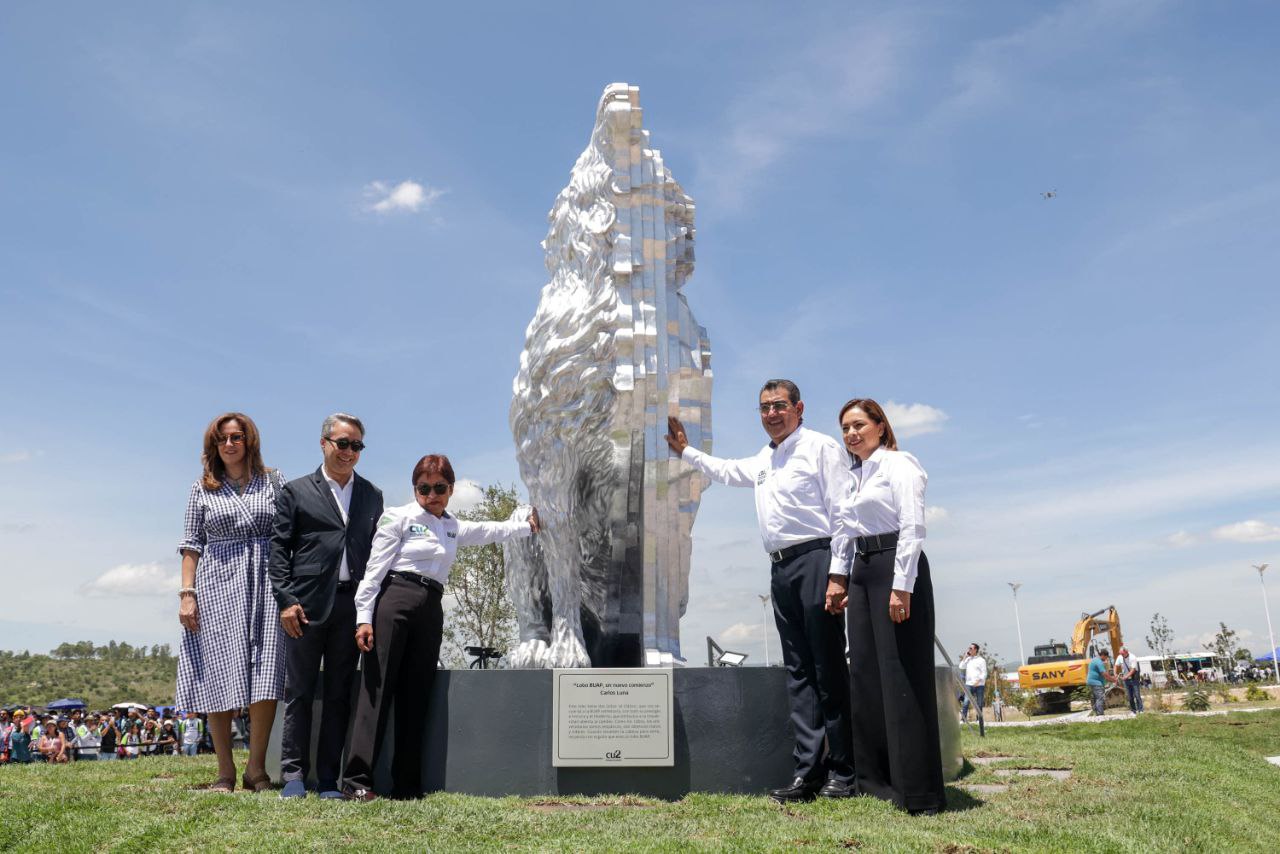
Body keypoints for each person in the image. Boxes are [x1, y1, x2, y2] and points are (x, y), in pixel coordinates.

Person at [667, 379, 855, 803]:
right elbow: (731, 471)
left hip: (817, 560)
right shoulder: (766, 458)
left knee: (827, 669)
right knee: (800, 674)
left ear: (799, 407)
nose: (771, 414)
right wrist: (686, 453)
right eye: (764, 408)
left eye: (779, 406)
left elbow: (843, 512)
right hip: (781, 569)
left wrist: (839, 574)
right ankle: (808, 773)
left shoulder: (821, 448)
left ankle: (844, 772)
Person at [340, 454, 539, 801]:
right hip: (395, 601)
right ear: (414, 488)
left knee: (417, 695)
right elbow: (373, 573)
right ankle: (356, 782)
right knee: (377, 690)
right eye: (424, 488)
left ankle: (407, 785)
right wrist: (363, 618)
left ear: (451, 489)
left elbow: (488, 530)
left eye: (440, 488)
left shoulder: (451, 526)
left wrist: (526, 526)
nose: (432, 495)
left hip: (431, 606)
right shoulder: (397, 517)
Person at [826, 398, 946, 815]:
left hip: (896, 568)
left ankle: (920, 792)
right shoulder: (854, 476)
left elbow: (913, 526)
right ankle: (876, 783)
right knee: (866, 677)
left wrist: (902, 586)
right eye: (845, 428)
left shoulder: (900, 464)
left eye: (858, 424)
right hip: (862, 571)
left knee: (903, 678)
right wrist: (838, 577)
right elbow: (843, 530)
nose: (851, 434)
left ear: (880, 426)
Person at [268, 413, 384, 800]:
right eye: (343, 443)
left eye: (357, 446)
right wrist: (286, 601)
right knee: (299, 691)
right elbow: (278, 550)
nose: (349, 452)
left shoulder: (372, 495)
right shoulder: (296, 491)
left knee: (338, 693)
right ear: (324, 443)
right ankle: (294, 776)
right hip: (305, 608)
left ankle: (329, 780)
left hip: (351, 608)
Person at [176, 412, 285, 792]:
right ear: (213, 445)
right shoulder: (201, 488)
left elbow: (288, 532)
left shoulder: (273, 481)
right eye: (222, 439)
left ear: (249, 441)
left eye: (236, 437)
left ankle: (256, 770)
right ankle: (225, 771)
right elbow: (191, 544)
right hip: (218, 584)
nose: (229, 444)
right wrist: (187, 594)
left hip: (267, 582)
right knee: (217, 671)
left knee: (265, 673)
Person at [959, 643, 988, 723]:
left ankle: (979, 719)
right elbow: (961, 667)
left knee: (979, 703)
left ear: (975, 650)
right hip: (969, 684)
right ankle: (963, 719)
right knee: (966, 702)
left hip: (979, 685)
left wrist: (978, 681)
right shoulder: (968, 659)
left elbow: (984, 673)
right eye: (969, 648)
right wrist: (965, 657)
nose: (969, 650)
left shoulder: (981, 660)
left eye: (971, 648)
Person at [1087, 648, 1119, 715]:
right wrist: (1114, 680)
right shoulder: (1099, 662)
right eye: (1106, 657)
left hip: (1091, 682)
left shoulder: (1094, 660)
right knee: (1100, 698)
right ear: (1103, 655)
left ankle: (1095, 713)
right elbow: (1104, 674)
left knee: (1095, 699)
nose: (1106, 659)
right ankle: (1100, 715)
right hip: (1096, 683)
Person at [1115, 646, 1143, 713]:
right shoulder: (1120, 657)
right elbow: (1116, 665)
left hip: (1134, 678)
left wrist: (1126, 676)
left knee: (1137, 695)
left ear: (1126, 652)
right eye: (1120, 653)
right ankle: (1133, 711)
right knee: (1130, 696)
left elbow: (1133, 670)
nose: (1121, 655)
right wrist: (1115, 673)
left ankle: (1141, 710)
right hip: (1126, 680)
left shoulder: (1132, 657)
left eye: (1122, 654)